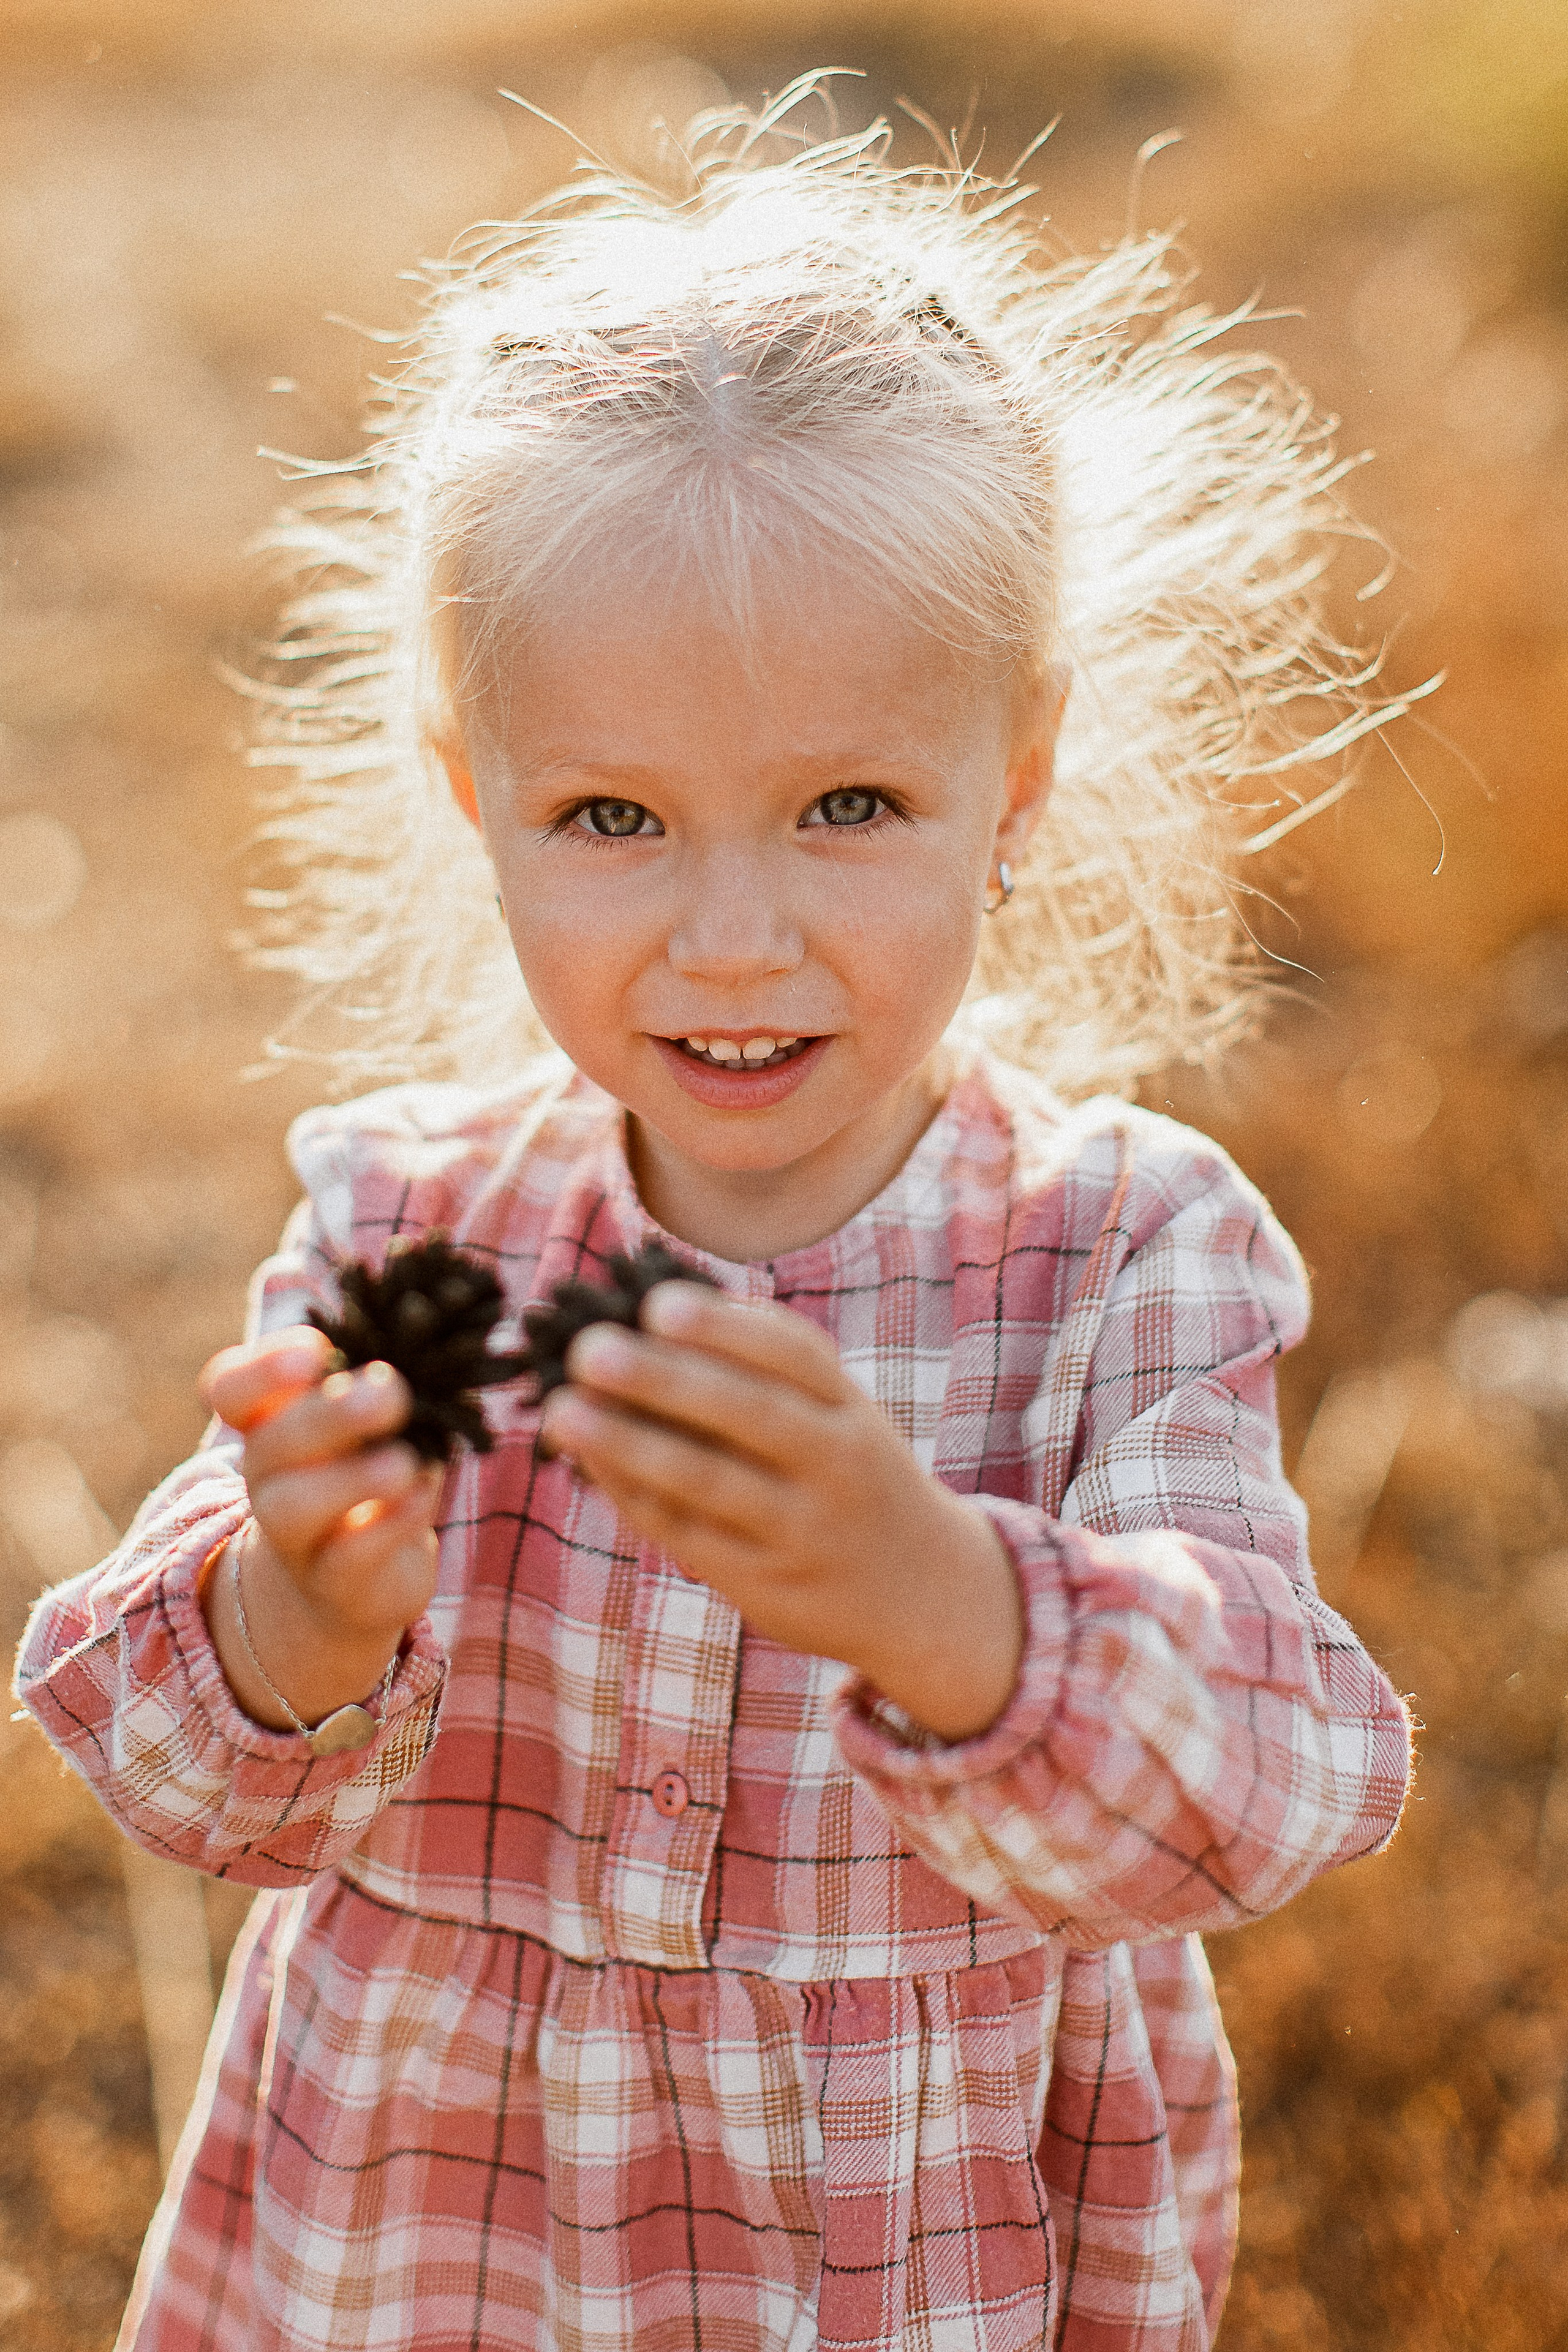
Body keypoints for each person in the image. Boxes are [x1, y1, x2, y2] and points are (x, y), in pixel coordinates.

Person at [15, 87, 1412, 2352]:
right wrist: (300, 1608)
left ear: (1016, 777)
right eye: (612, 817)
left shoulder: (1122, 1257)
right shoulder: (407, 1228)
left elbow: (1274, 1785)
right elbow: (164, 1777)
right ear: (474, 794)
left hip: (892, 2249)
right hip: (426, 2231)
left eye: (848, 802)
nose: (733, 937)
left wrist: (943, 1601)